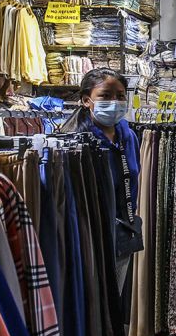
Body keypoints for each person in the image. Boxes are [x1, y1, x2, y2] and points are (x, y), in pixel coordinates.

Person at [61, 68, 143, 262]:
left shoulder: (129, 137)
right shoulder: (74, 143)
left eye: (120, 96)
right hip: (87, 236)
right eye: (105, 96)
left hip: (123, 234)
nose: (114, 102)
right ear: (86, 100)